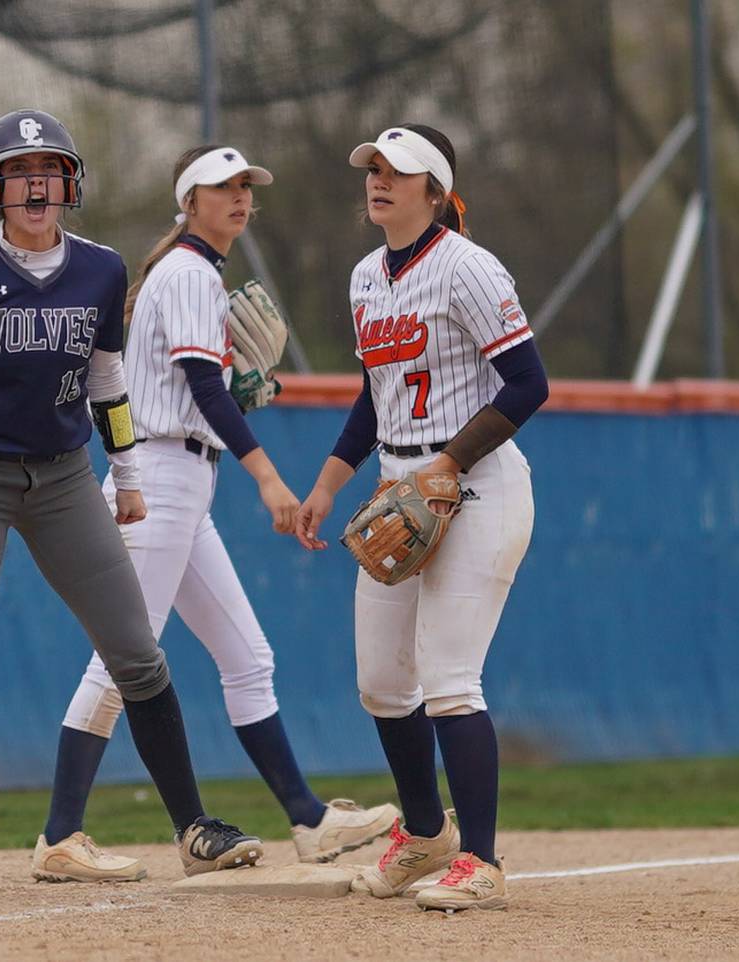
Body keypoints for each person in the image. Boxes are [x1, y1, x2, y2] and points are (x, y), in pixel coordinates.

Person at [0, 110, 264, 906]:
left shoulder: (100, 270)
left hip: (60, 478)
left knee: (137, 655)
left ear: (70, 184)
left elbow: (106, 381)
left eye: (49, 169)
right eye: (19, 171)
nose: (37, 184)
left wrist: (124, 474)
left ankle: (193, 827)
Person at [30, 144, 398, 884]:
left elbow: (199, 379)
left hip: (182, 490)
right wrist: (267, 477)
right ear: (188, 201)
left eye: (243, 187)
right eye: (219, 187)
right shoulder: (191, 272)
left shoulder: (189, 273)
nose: (237, 197)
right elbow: (202, 381)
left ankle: (310, 819)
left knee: (247, 657)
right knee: (120, 663)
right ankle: (60, 836)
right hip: (159, 485)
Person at [292, 124, 549, 912]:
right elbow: (377, 398)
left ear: (434, 192)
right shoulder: (367, 276)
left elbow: (527, 384)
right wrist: (330, 484)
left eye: (397, 172)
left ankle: (480, 861)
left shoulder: (469, 268)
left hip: (477, 487)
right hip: (398, 487)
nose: (379, 180)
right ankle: (425, 833)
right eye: (373, 168)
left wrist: (448, 463)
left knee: (448, 680)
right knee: (381, 682)